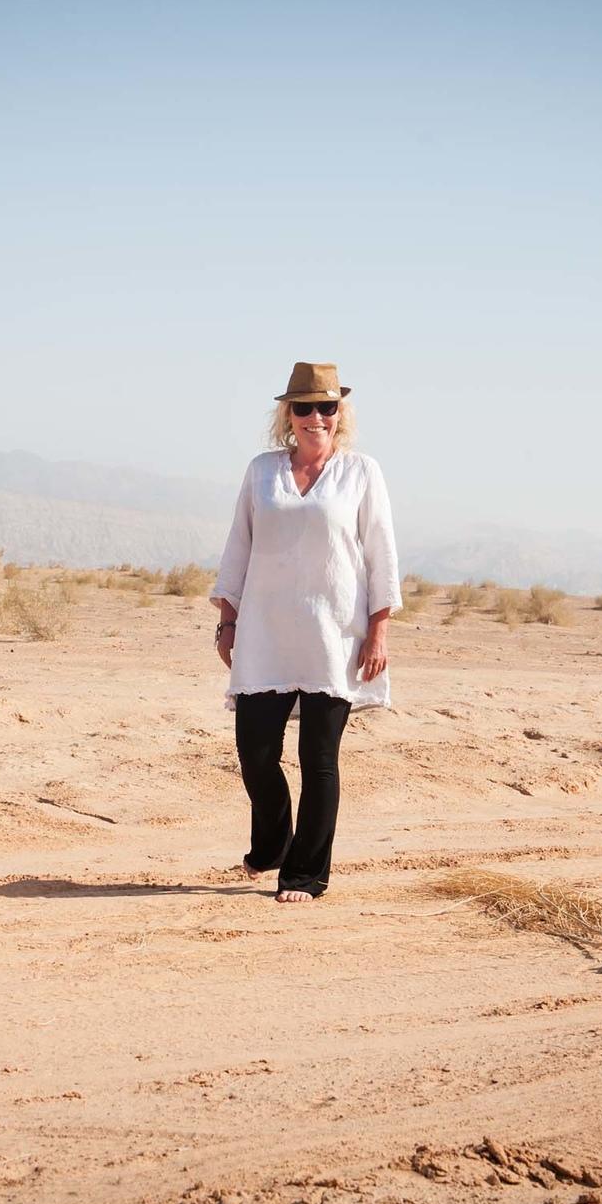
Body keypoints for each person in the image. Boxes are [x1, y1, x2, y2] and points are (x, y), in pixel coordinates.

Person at [210, 361, 401, 903]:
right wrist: (228, 619)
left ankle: (305, 874)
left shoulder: (362, 472)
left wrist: (378, 632)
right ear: (287, 415)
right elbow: (238, 547)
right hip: (264, 633)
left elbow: (380, 553)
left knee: (319, 761)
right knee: (254, 751)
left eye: (327, 406)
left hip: (334, 635)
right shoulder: (261, 471)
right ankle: (272, 844)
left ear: (341, 413)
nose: (315, 416)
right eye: (304, 407)